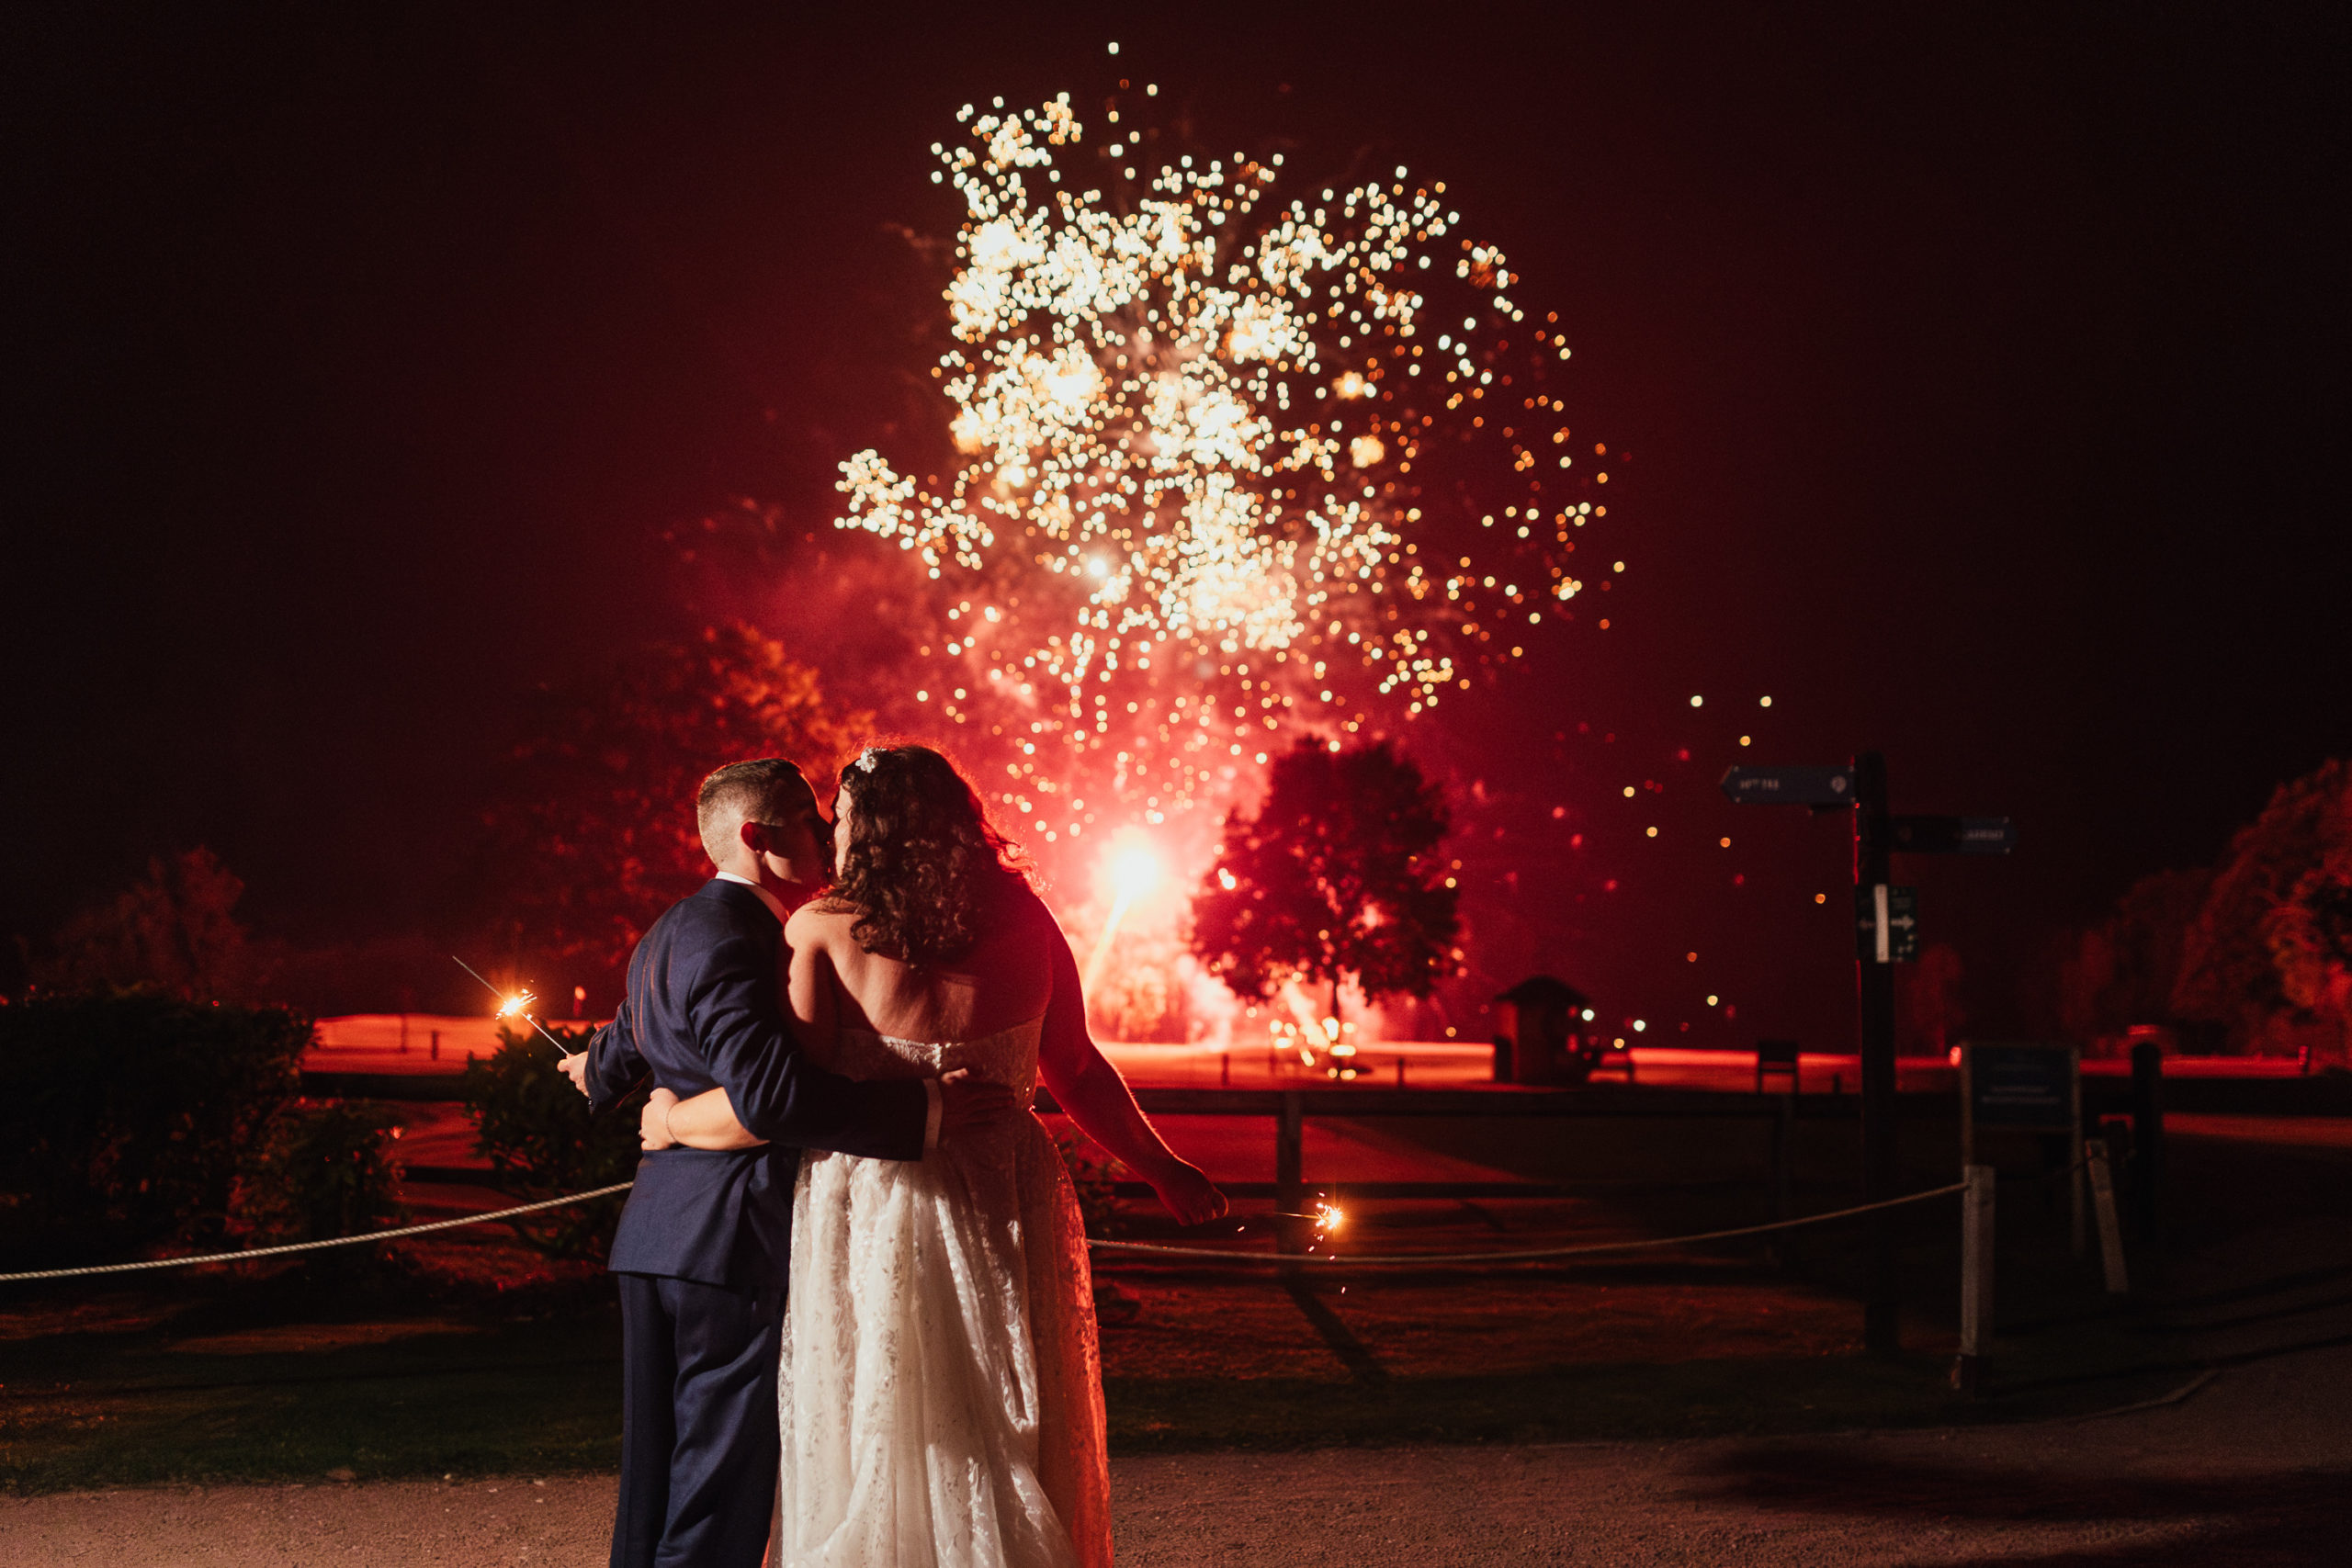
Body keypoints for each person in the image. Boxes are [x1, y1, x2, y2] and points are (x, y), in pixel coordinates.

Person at [646, 744, 1227, 1568]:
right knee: (1005, 1406)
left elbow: (785, 1097)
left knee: (880, 1416)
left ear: (871, 831)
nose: (829, 832)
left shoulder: (821, 931)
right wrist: (1164, 1167)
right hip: (1006, 1191)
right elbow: (1082, 1070)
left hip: (873, 1196)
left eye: (840, 819)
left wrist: (671, 1117)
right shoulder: (1029, 920)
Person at [559, 757, 1017, 1568]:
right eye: (812, 822)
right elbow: (770, 1094)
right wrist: (923, 1109)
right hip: (730, 1242)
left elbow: (630, 1036)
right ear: (757, 838)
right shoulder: (748, 937)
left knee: (653, 1484)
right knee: (717, 1486)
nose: (831, 837)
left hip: (654, 1238)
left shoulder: (670, 929)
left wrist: (597, 1074)